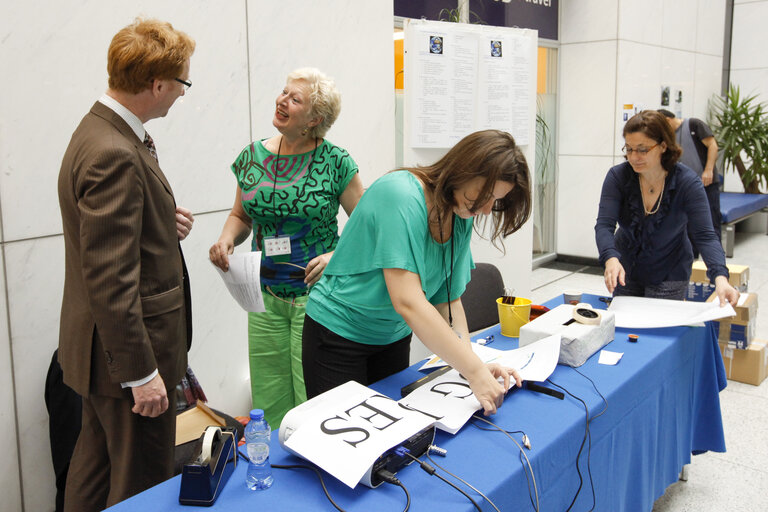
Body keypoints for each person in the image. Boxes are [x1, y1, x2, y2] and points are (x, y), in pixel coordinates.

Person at [57, 18, 195, 511]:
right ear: (158, 84)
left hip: (98, 359)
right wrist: (142, 375)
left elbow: (107, 242)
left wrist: (161, 221)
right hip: (125, 362)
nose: (182, 94)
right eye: (182, 82)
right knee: (142, 484)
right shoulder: (114, 152)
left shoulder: (101, 130)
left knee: (93, 476)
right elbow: (111, 279)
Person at [302, 130, 530, 416]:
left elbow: (449, 300)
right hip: (338, 334)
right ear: (464, 170)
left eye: (494, 201)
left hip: (391, 335)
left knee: (391, 435)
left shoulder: (460, 215)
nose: (485, 209)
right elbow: (408, 301)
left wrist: (471, 364)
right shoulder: (401, 194)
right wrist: (473, 372)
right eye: (484, 195)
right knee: (341, 439)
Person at [209, 68, 363, 427]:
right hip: (263, 297)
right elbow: (241, 215)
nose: (282, 101)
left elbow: (366, 225)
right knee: (270, 396)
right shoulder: (252, 157)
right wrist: (226, 239)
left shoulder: (336, 162)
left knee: (313, 396)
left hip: (318, 296)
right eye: (283, 93)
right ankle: (279, 470)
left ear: (315, 119)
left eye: (295, 99)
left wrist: (334, 255)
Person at [595, 110, 739, 305]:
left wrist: (720, 278)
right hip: (625, 266)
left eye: (642, 149)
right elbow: (604, 224)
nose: (634, 156)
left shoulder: (687, 183)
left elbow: (705, 236)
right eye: (629, 149)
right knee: (627, 327)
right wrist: (610, 258)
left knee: (659, 329)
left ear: (663, 146)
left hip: (669, 269)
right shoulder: (618, 177)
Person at [658, 109, 722, 253]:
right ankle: (692, 260)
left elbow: (713, 145)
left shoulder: (693, 125)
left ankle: (714, 260)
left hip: (706, 182)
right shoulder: (667, 137)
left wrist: (708, 170)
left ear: (667, 120)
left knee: (711, 222)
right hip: (685, 186)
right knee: (686, 223)